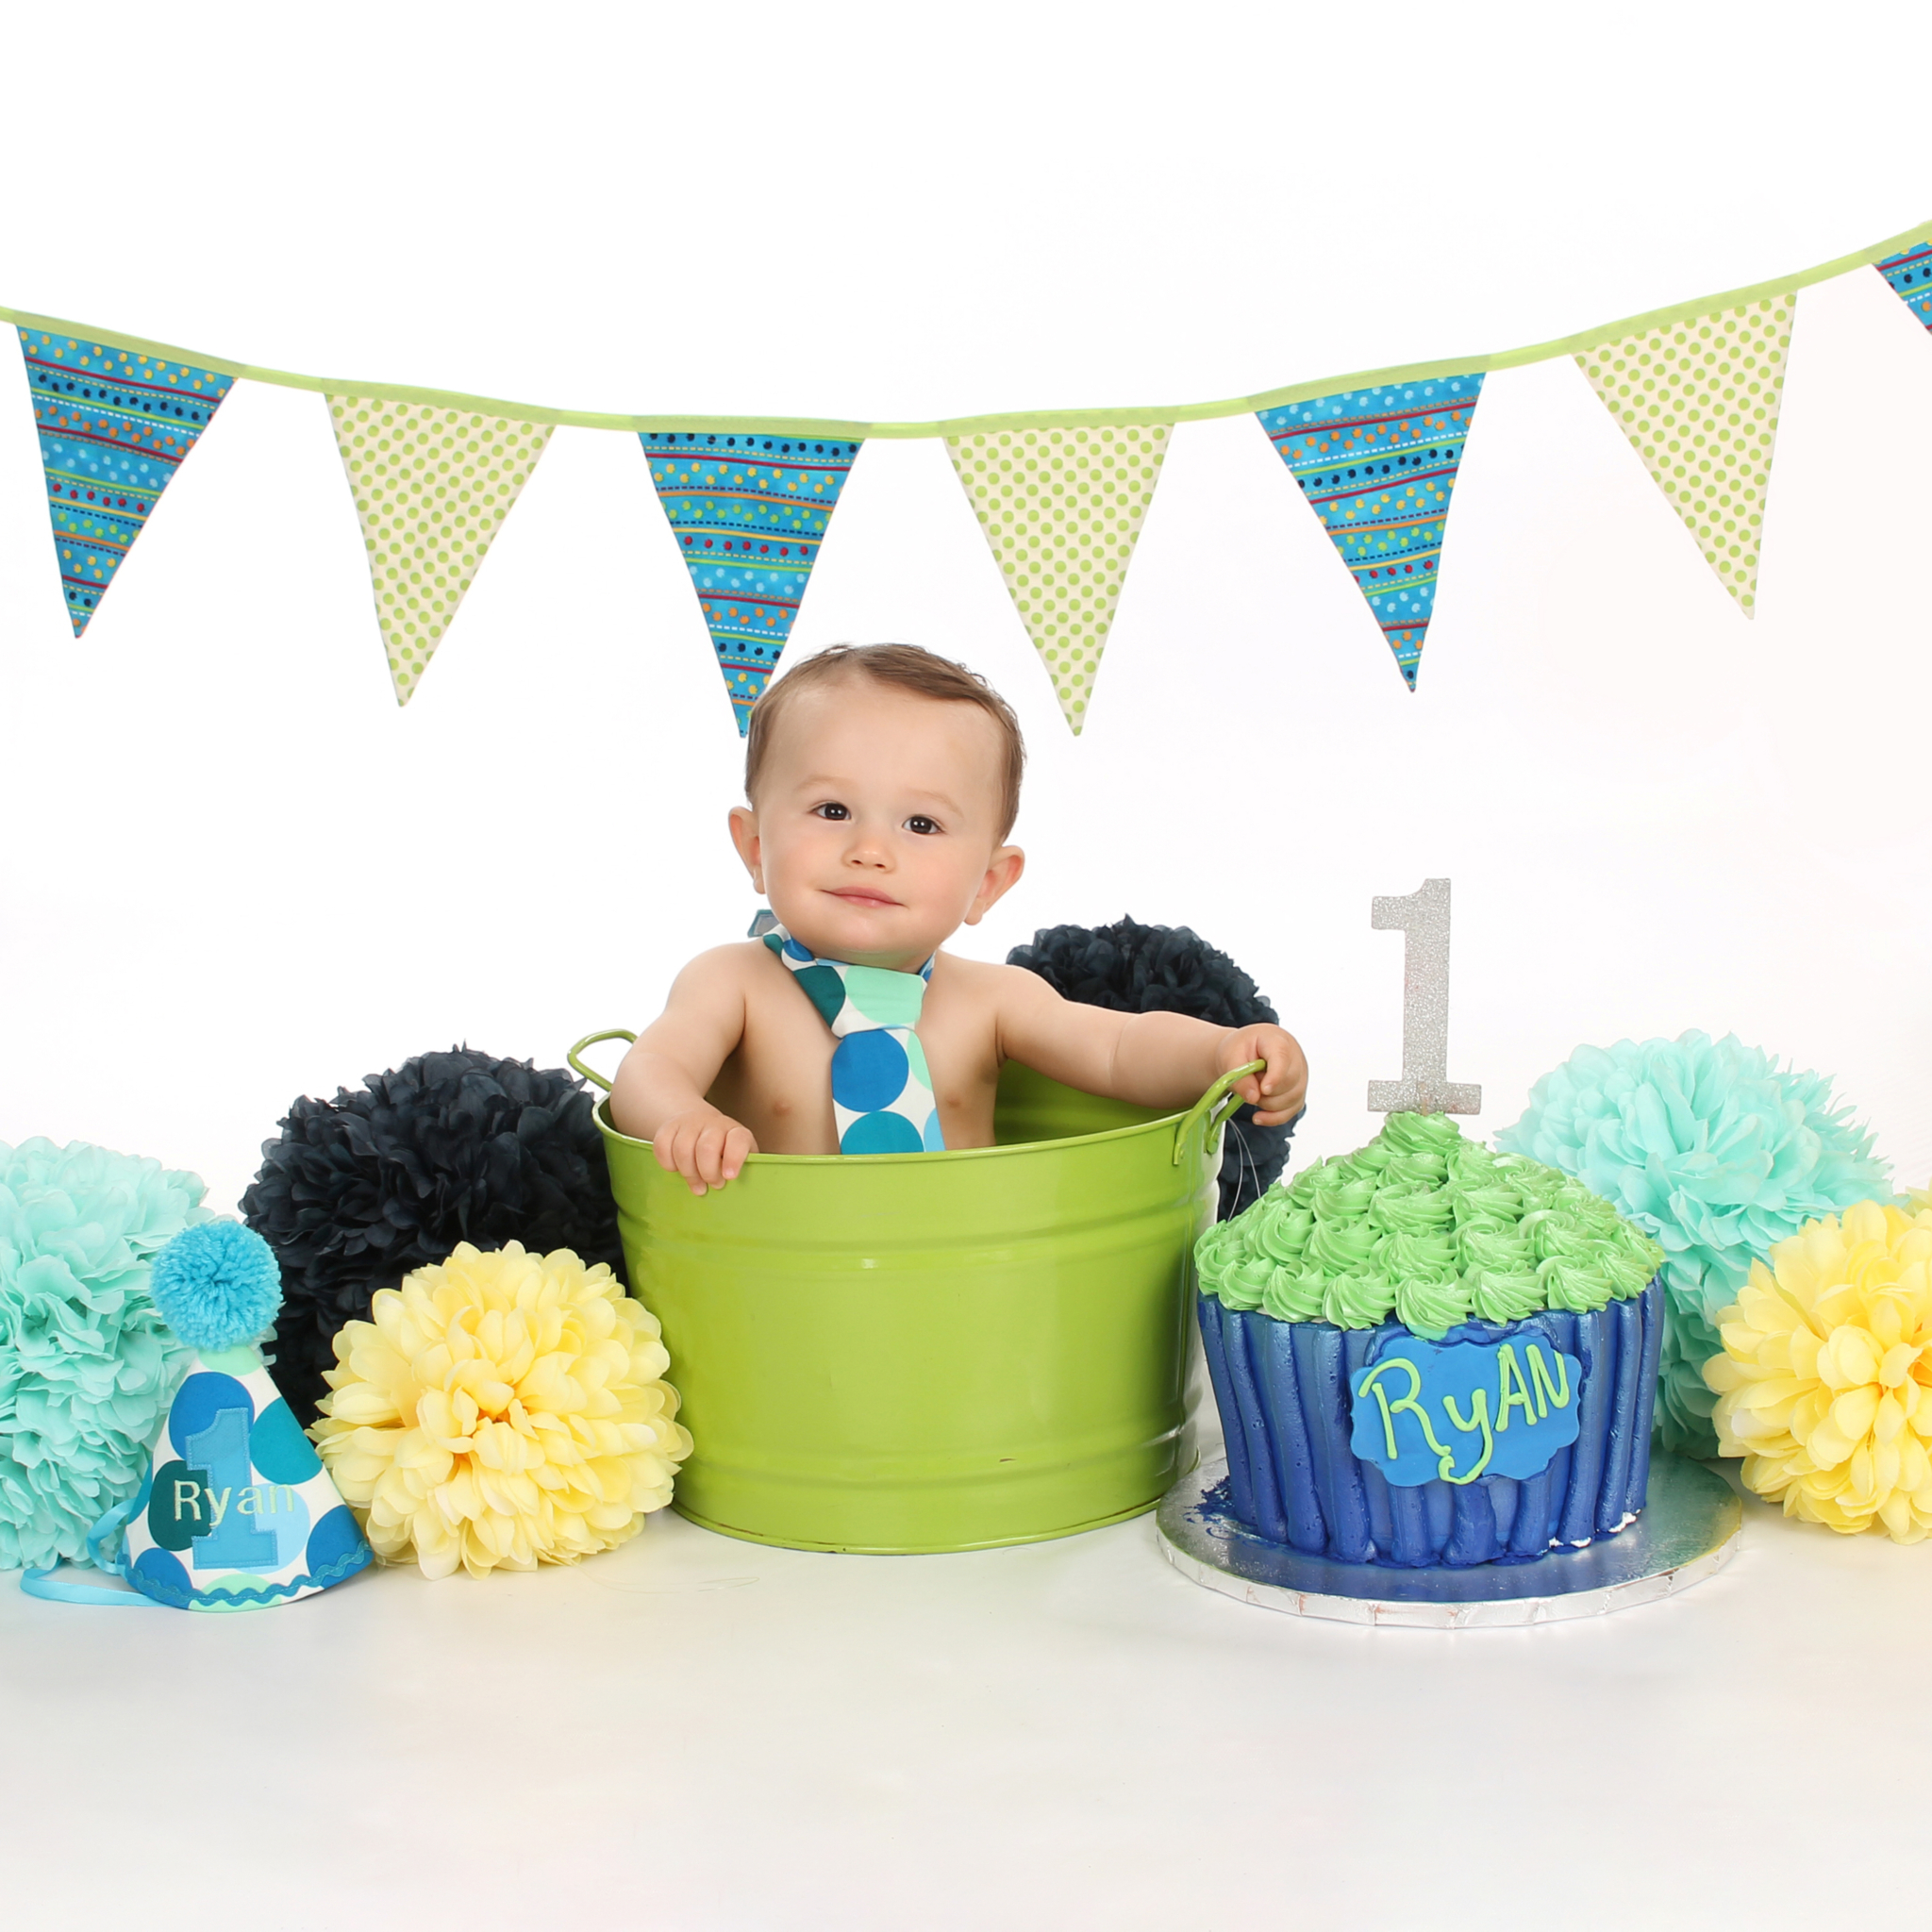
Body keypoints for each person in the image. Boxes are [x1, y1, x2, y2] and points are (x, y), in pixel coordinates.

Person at [609, 644, 1307, 1193]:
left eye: (922, 823)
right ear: (756, 848)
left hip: (964, 1289)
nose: (870, 851)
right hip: (786, 1293)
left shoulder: (992, 1001)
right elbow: (650, 1068)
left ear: (988, 883)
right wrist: (687, 1118)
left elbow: (1119, 1049)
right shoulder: (732, 983)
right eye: (832, 811)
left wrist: (1220, 1053)